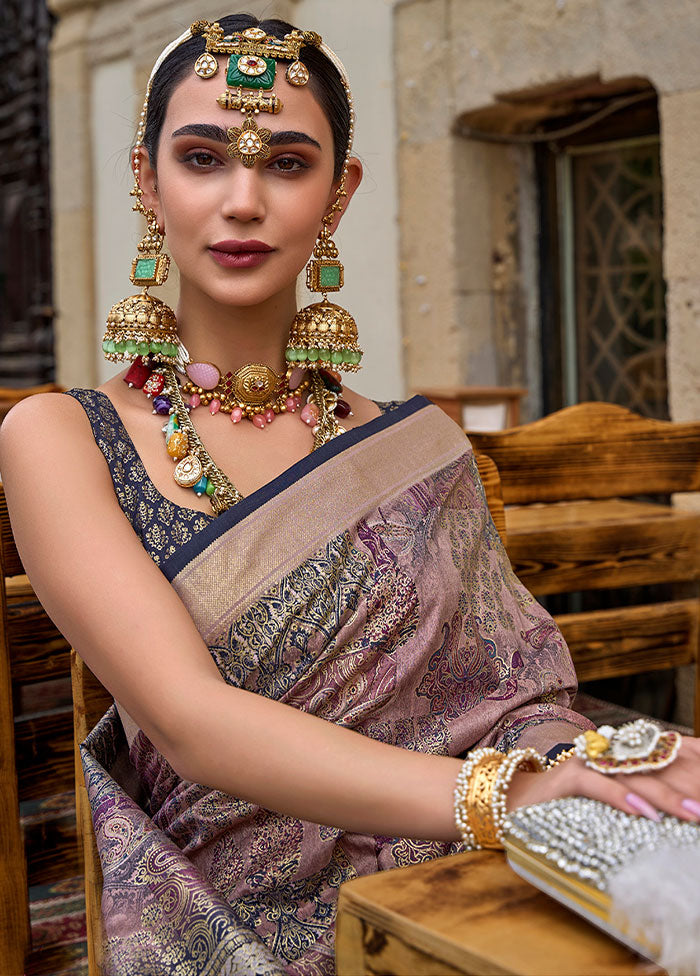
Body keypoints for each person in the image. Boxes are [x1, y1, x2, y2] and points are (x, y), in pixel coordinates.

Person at [2, 13, 699, 976]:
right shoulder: (61, 437)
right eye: (203, 157)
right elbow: (192, 723)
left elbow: (513, 694)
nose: (242, 201)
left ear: (341, 191)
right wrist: (507, 795)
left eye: (287, 163)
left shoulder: (416, 445)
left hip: (463, 883)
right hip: (229, 919)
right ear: (144, 179)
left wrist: (598, 768)